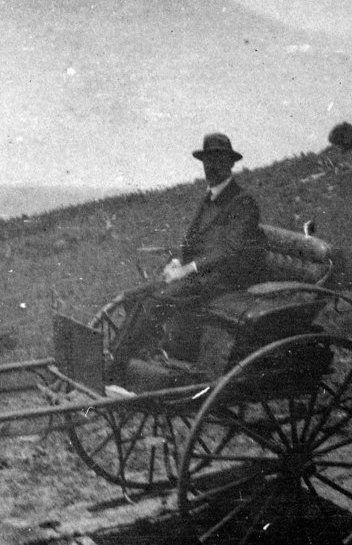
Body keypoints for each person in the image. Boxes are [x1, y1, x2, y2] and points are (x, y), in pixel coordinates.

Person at [109, 133, 267, 377]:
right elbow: (193, 238)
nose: (211, 166)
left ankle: (116, 367)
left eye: (218, 160)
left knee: (154, 302)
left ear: (230, 164)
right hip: (203, 276)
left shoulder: (242, 202)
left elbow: (230, 249)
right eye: (207, 161)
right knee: (134, 297)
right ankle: (138, 361)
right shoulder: (211, 196)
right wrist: (177, 261)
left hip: (226, 281)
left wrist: (188, 268)